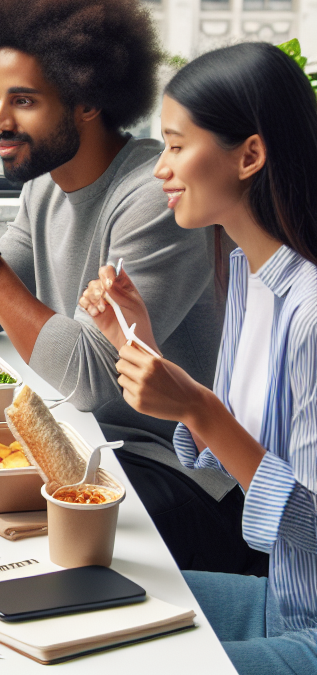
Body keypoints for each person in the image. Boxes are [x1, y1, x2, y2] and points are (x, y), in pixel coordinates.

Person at [0, 0, 266, 575]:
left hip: (178, 475)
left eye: (23, 100)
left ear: (88, 98)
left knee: (6, 550)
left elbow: (93, 377)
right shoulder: (45, 190)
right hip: (94, 449)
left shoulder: (158, 197)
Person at [79, 42, 317, 674]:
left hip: (309, 621)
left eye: (177, 145)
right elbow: (218, 452)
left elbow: (315, 530)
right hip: (286, 601)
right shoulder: (246, 275)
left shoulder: (313, 314)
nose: (161, 167)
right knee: (79, 605)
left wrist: (200, 410)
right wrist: (140, 346)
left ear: (251, 155)